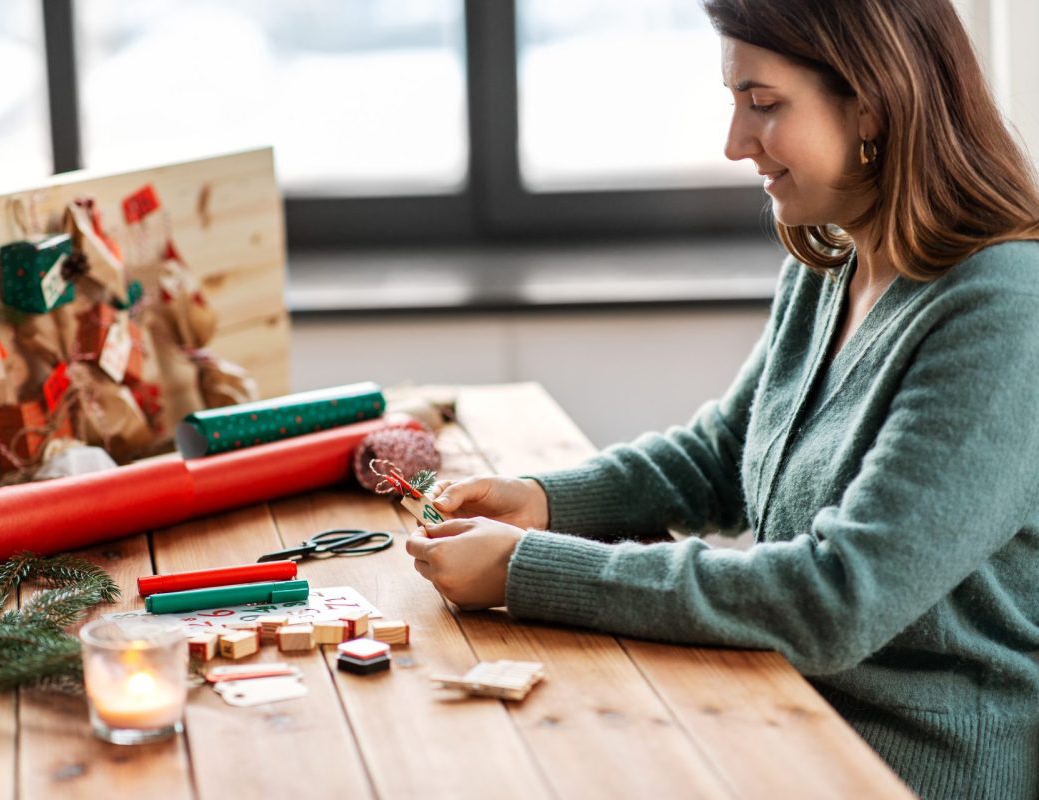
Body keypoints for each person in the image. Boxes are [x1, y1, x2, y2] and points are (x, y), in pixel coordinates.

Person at [404, 1, 1039, 797]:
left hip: (906, 770)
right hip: (780, 713)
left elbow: (834, 598)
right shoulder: (833, 261)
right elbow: (724, 455)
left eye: (764, 104)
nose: (735, 143)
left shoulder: (1005, 314)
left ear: (873, 102)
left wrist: (528, 571)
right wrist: (540, 502)